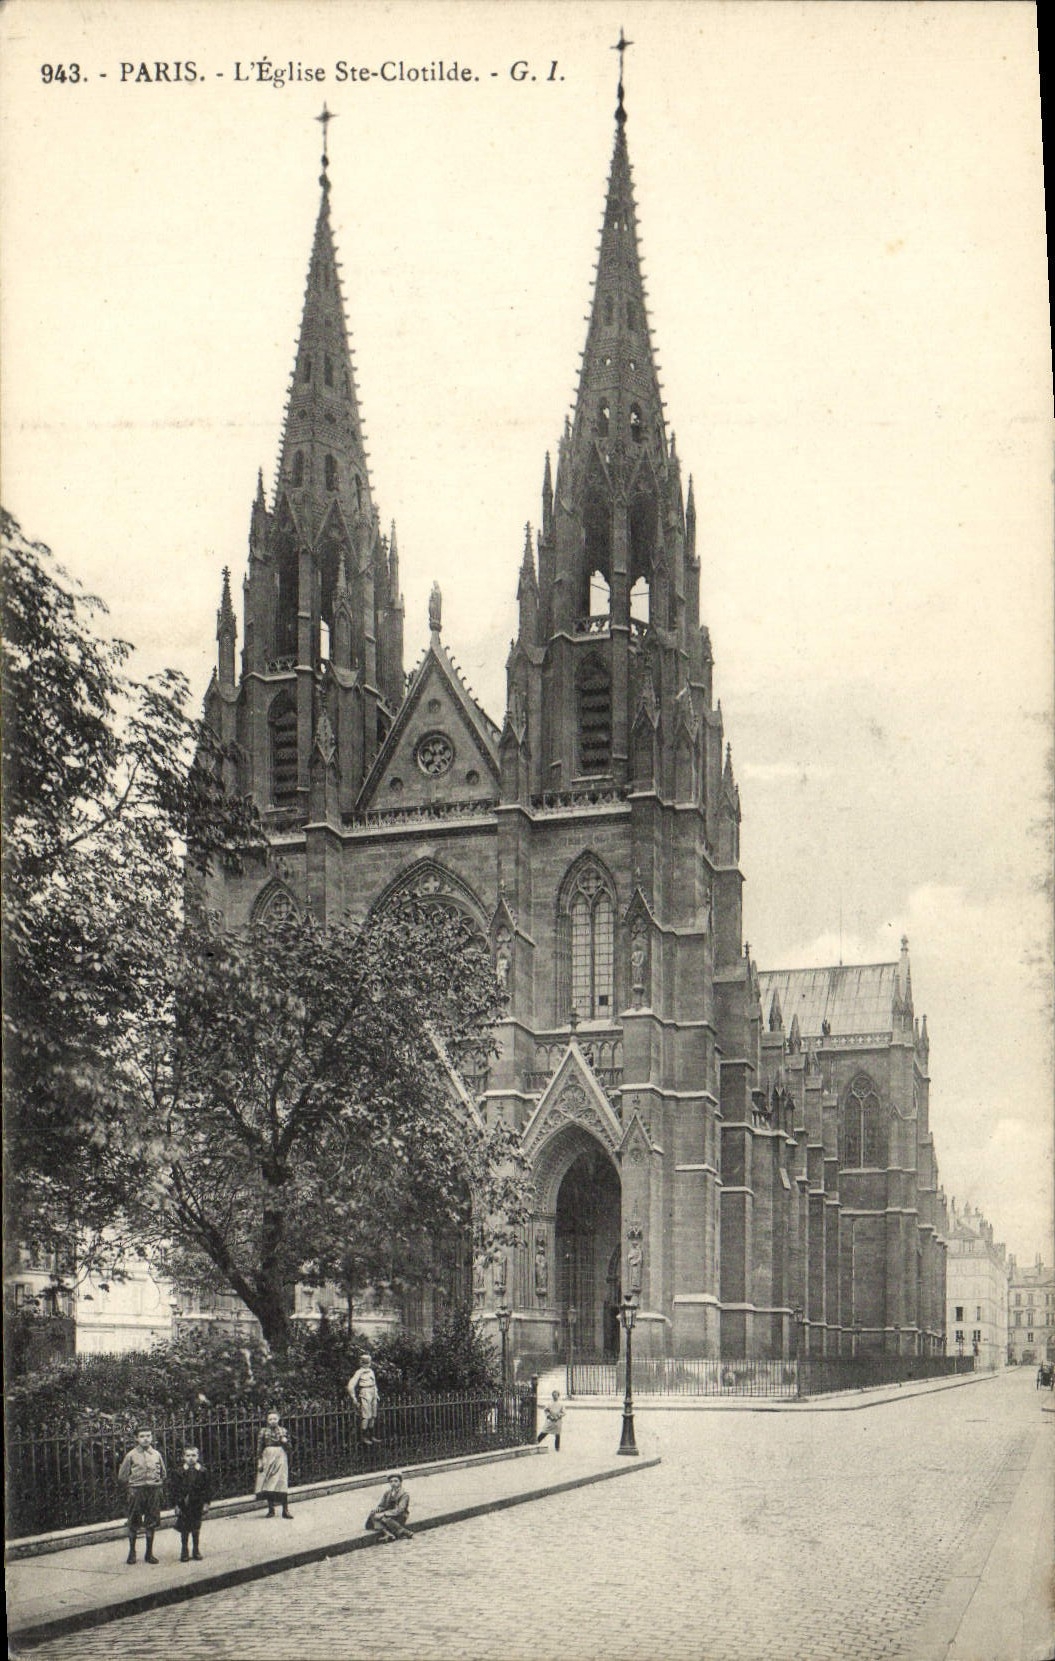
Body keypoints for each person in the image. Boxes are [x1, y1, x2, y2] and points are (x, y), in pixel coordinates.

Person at [117, 1427, 167, 1564]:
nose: (145, 1439)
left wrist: (156, 1485)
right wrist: (132, 1488)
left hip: (153, 1491)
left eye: (148, 1436)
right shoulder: (131, 1455)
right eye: (142, 1436)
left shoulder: (156, 1454)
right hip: (137, 1491)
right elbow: (122, 1476)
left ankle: (149, 1554)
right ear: (136, 1438)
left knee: (151, 1522)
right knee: (134, 1522)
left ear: (152, 1437)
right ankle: (132, 1553)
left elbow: (163, 1473)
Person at [171, 1445, 212, 1562]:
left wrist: (206, 1504)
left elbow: (207, 1489)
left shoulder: (203, 1471)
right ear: (183, 1457)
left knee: (196, 1527)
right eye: (188, 1455)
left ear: (198, 1456)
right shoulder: (179, 1472)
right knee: (184, 1529)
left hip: (197, 1504)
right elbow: (174, 1490)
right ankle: (184, 1550)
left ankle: (196, 1550)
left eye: (193, 1455)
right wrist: (176, 1505)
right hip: (184, 1504)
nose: (191, 1458)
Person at [256, 1410, 293, 1518]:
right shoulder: (263, 1432)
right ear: (267, 1421)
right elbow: (259, 1447)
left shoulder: (283, 1431)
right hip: (267, 1457)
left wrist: (285, 1441)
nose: (273, 1421)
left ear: (278, 1419)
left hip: (280, 1457)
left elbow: (290, 1447)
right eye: (270, 1419)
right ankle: (271, 1510)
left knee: (282, 1481)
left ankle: (285, 1510)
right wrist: (259, 1461)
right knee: (269, 1483)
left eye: (275, 1419)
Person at [365, 1471, 413, 1542]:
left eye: (396, 1481)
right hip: (389, 1515)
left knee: (383, 1518)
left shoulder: (404, 1494)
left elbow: (400, 1510)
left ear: (400, 1482)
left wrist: (383, 1514)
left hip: (400, 1516)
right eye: (391, 1481)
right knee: (374, 1514)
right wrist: (378, 1509)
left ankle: (402, 1531)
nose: (393, 1483)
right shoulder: (387, 1493)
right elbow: (382, 1505)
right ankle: (389, 1533)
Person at [346, 1353, 380, 1444]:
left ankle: (371, 1436)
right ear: (361, 1363)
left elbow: (374, 1383)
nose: (367, 1364)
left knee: (373, 1415)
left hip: (373, 1392)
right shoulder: (359, 1372)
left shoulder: (371, 1371)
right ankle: (364, 1437)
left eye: (368, 1362)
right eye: (365, 1362)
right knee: (366, 1416)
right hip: (365, 1392)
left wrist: (376, 1393)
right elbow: (350, 1385)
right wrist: (353, 1397)